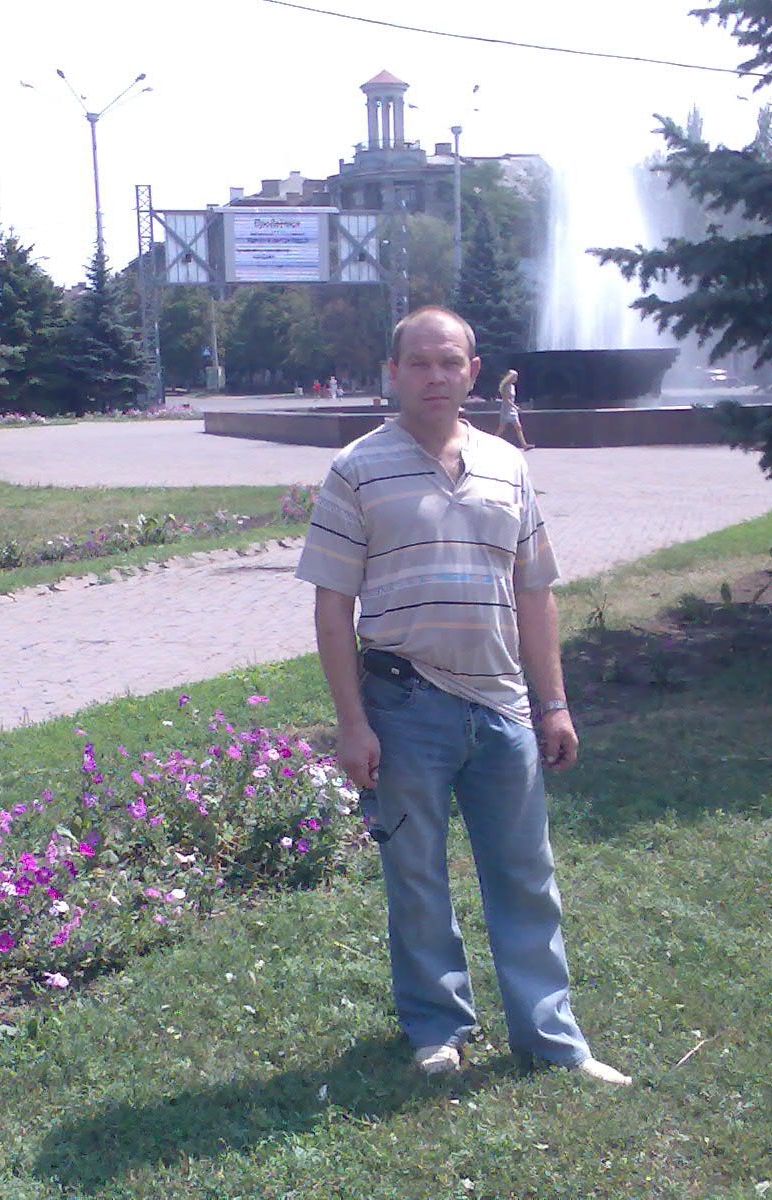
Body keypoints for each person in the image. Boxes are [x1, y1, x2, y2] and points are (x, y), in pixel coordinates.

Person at [295, 305, 632, 1085]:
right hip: (403, 705)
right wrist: (351, 723)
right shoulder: (356, 469)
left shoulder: (508, 465)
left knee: (526, 877)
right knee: (416, 878)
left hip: (502, 707)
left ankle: (551, 1040)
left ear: (474, 372)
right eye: (419, 363)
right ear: (393, 373)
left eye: (450, 362)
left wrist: (554, 703)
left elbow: (534, 591)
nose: (435, 377)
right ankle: (437, 1028)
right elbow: (332, 606)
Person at [494, 367, 533, 450]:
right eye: (515, 377)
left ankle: (524, 445)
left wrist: (514, 407)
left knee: (518, 427)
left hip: (512, 409)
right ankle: (492, 441)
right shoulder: (505, 387)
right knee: (502, 428)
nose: (516, 379)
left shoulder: (512, 386)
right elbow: (506, 399)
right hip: (506, 409)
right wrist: (516, 407)